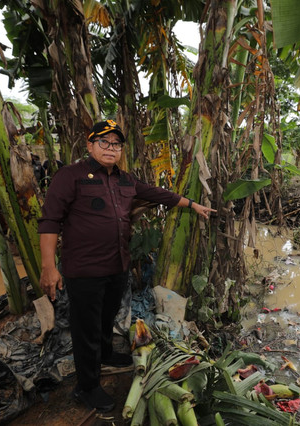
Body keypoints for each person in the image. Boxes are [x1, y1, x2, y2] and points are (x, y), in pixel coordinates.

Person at [38, 119, 215, 412]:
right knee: (87, 328)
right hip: (83, 270)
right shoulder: (69, 176)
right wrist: (48, 267)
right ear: (90, 145)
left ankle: (106, 354)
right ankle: (87, 386)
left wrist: (192, 204)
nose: (110, 148)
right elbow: (50, 221)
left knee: (107, 317)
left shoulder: (125, 180)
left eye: (116, 144)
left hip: (116, 265)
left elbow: (158, 193)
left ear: (121, 150)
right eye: (104, 142)